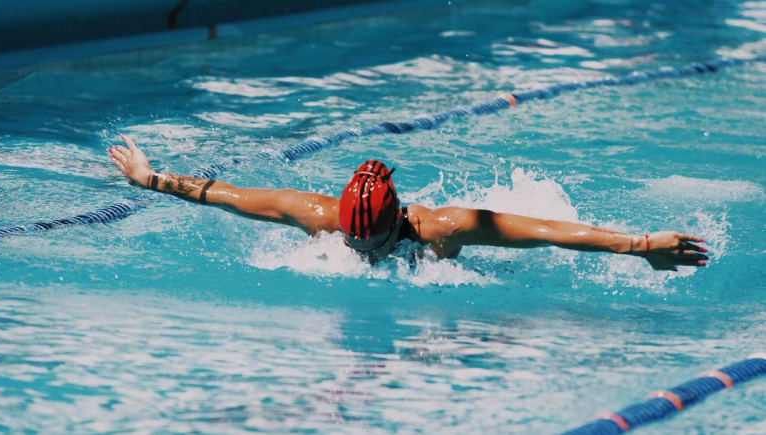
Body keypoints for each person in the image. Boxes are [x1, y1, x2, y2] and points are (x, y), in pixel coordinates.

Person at [108, 135, 708, 270]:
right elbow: (225, 196)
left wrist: (639, 246)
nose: (361, 250)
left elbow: (550, 228)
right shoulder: (319, 214)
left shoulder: (442, 228)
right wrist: (151, 180)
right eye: (356, 241)